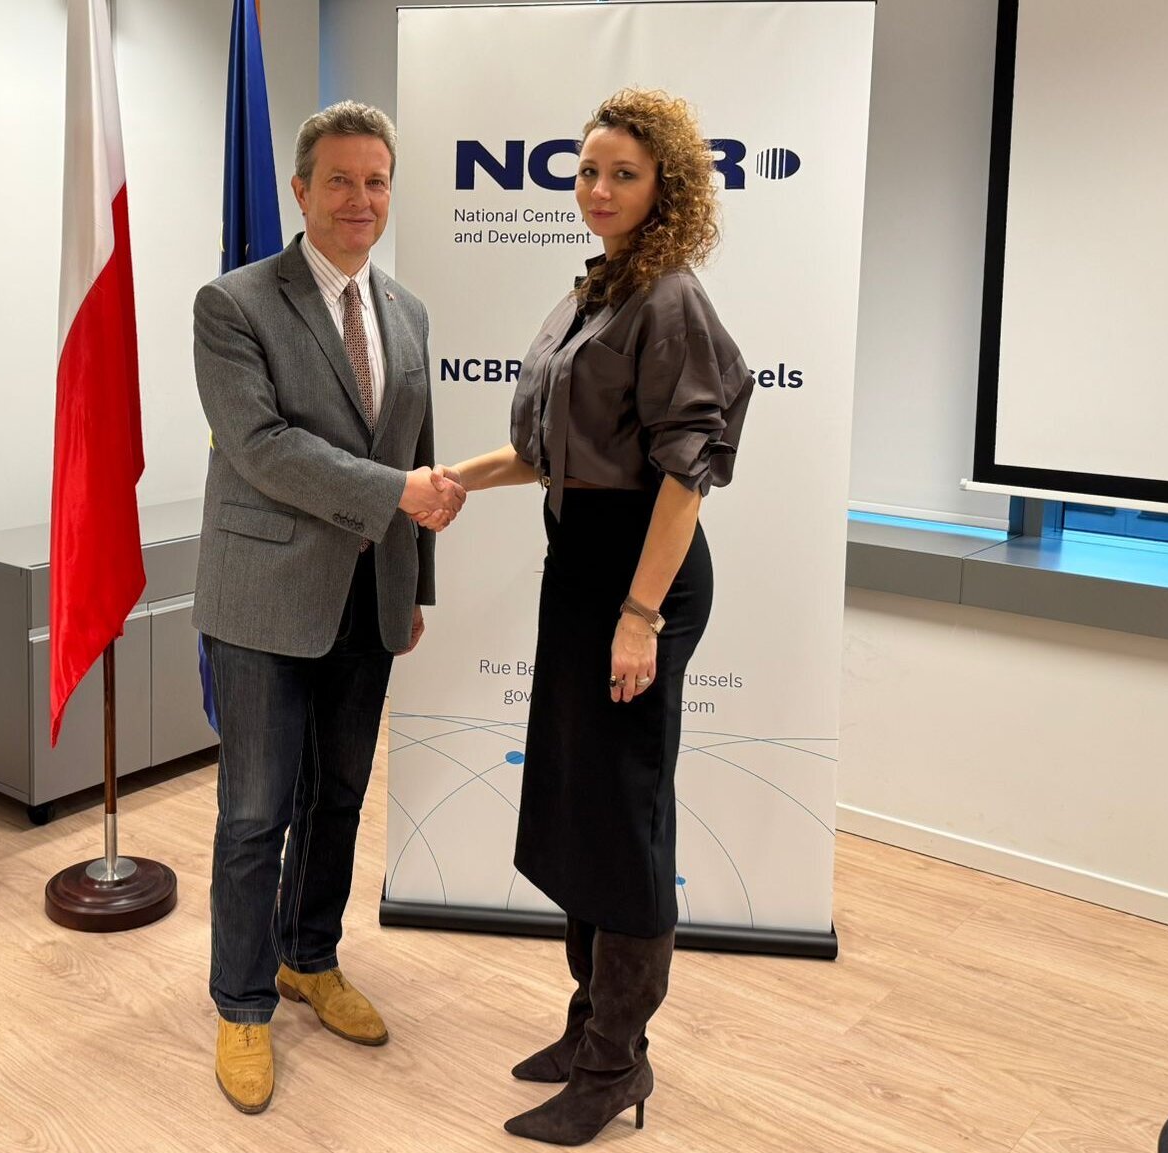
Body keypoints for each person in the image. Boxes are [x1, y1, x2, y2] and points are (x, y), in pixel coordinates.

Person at [445, 87, 753, 1146]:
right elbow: (545, 451)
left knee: (622, 816)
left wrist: (638, 615)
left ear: (664, 183)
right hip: (577, 568)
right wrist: (445, 481)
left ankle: (617, 1064)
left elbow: (686, 475)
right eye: (585, 171)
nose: (597, 188)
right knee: (577, 800)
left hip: (640, 578)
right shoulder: (593, 290)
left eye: (621, 172)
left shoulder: (668, 297)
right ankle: (588, 1026)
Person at [192, 100, 463, 1116]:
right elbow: (259, 449)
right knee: (255, 813)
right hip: (262, 602)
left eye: (377, 181)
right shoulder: (232, 304)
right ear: (299, 190)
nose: (361, 199)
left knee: (338, 799)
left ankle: (310, 957)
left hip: (369, 600)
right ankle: (241, 1004)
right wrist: (394, 493)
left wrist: (415, 581)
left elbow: (418, 457)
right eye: (340, 180)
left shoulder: (408, 312)